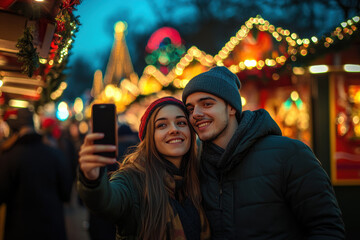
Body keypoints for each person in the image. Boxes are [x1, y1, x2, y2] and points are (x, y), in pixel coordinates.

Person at [182, 66, 345, 239]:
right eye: (190, 109)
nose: (195, 114)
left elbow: (327, 228)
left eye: (207, 104)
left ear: (231, 107)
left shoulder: (289, 154)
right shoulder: (197, 166)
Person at [77, 97, 211, 240]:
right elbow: (107, 201)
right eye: (162, 125)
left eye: (181, 123)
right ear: (149, 138)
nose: (174, 130)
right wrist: (92, 180)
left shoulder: (200, 176)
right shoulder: (133, 179)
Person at [0, 108, 73, 240]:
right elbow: (66, 193)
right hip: (52, 228)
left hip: (19, 230)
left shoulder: (8, 156)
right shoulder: (54, 153)